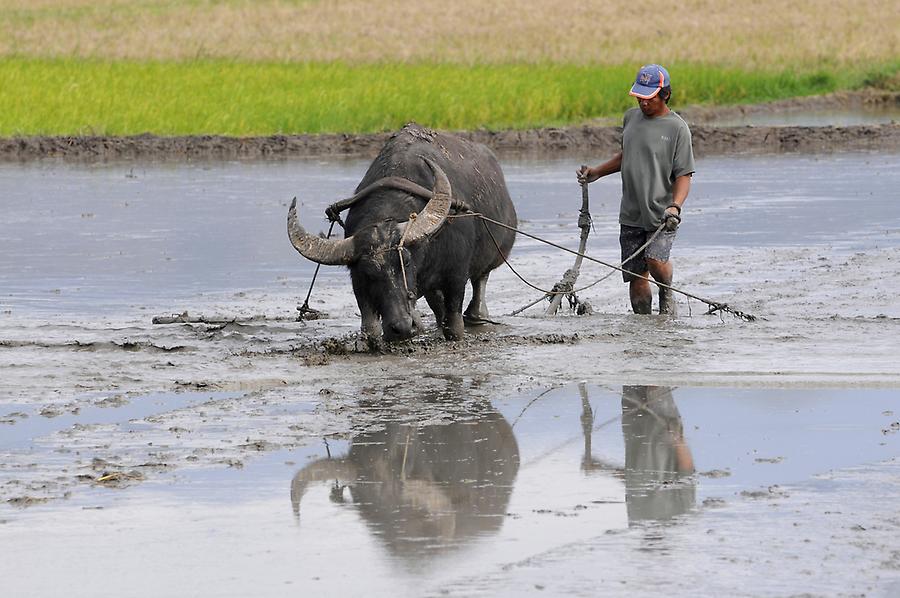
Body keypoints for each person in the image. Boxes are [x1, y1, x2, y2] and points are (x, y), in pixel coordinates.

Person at [577, 64, 695, 315]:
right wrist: (597, 172)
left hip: (662, 213)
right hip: (631, 211)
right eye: (640, 97)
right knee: (635, 274)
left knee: (654, 261)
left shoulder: (677, 129)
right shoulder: (630, 118)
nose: (643, 103)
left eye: (649, 98)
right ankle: (642, 324)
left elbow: (684, 174)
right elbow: (627, 155)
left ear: (665, 94)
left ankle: (666, 288)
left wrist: (675, 206)